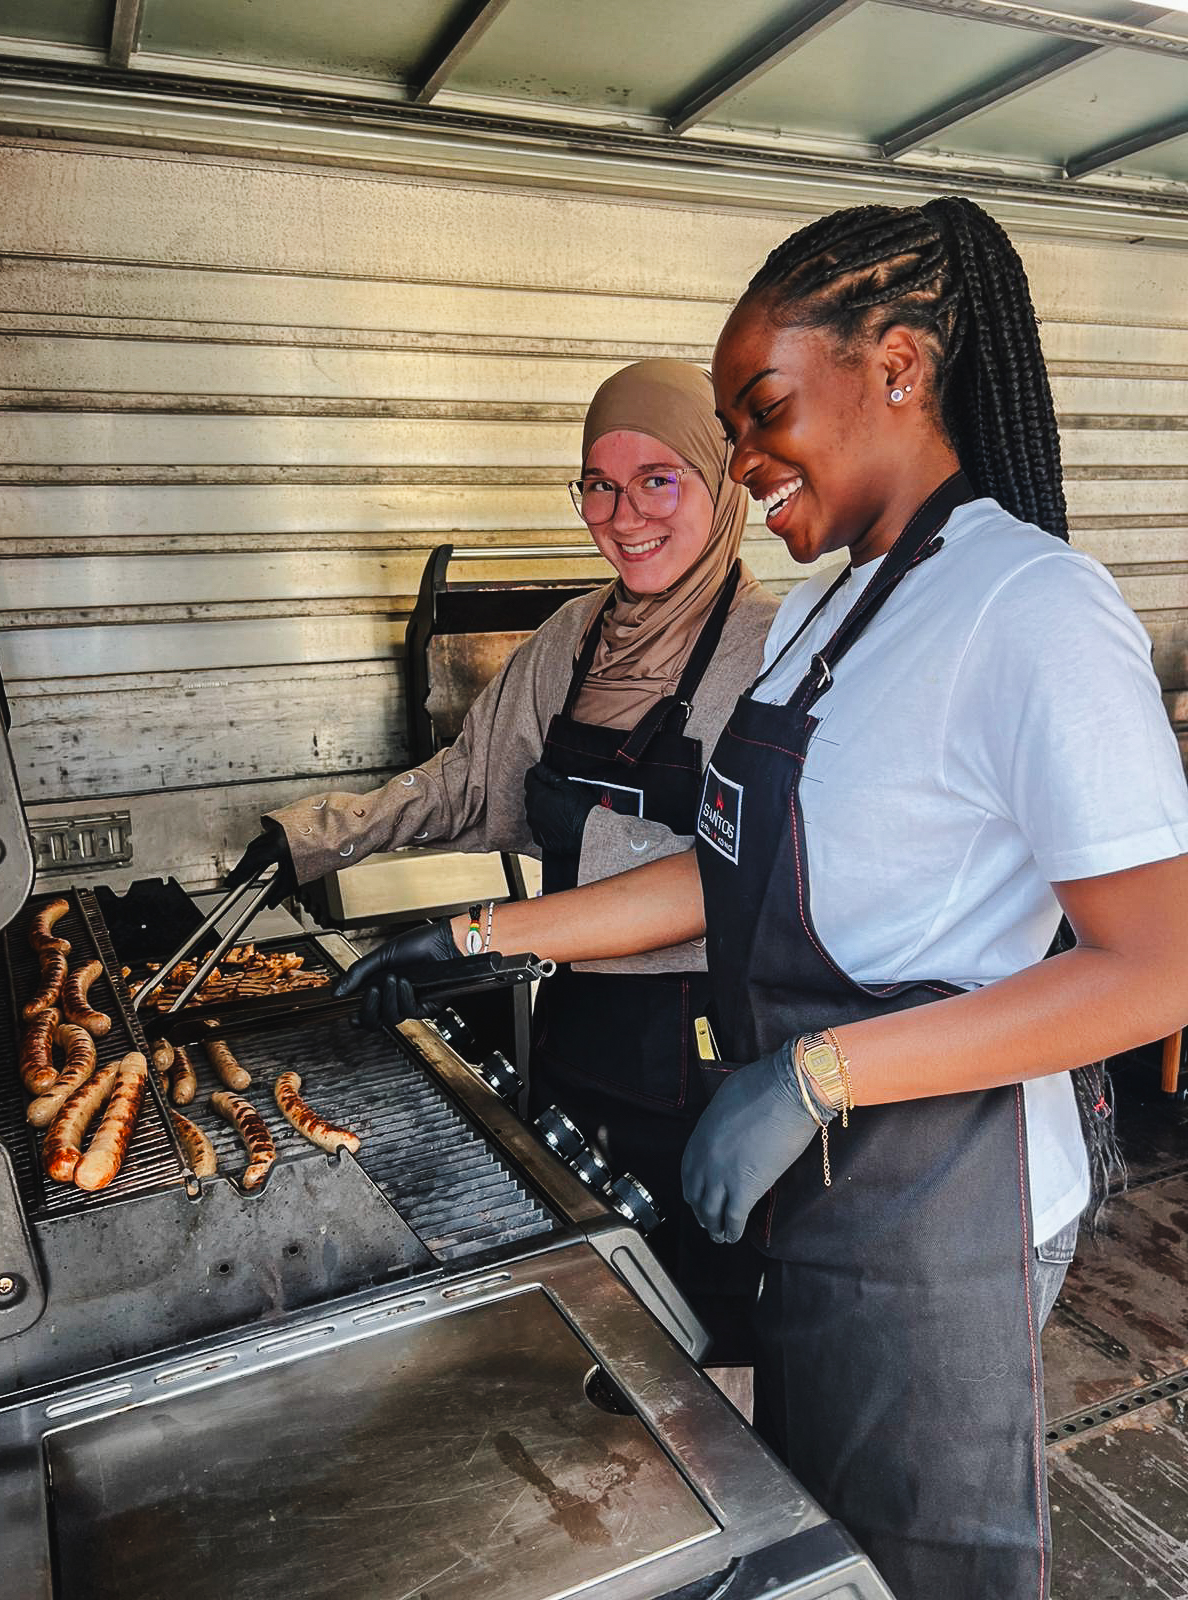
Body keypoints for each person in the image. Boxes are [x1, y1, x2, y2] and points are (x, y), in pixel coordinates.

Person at [337, 199, 1188, 1599]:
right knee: (810, 1543)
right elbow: (726, 881)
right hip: (817, 1190)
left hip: (943, 1215)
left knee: (919, 1564)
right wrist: (483, 938)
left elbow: (1154, 967)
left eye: (763, 409)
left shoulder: (1032, 607)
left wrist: (815, 1073)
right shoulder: (825, 614)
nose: (743, 461)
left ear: (899, 367)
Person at [230, 358, 779, 1353]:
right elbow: (469, 778)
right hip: (577, 1025)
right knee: (583, 1290)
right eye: (598, 485)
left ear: (724, 477)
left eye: (658, 479)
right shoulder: (576, 635)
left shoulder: (771, 654)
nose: (622, 514)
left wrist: (477, 935)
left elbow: (730, 881)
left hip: (705, 1051)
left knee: (698, 1320)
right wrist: (314, 835)